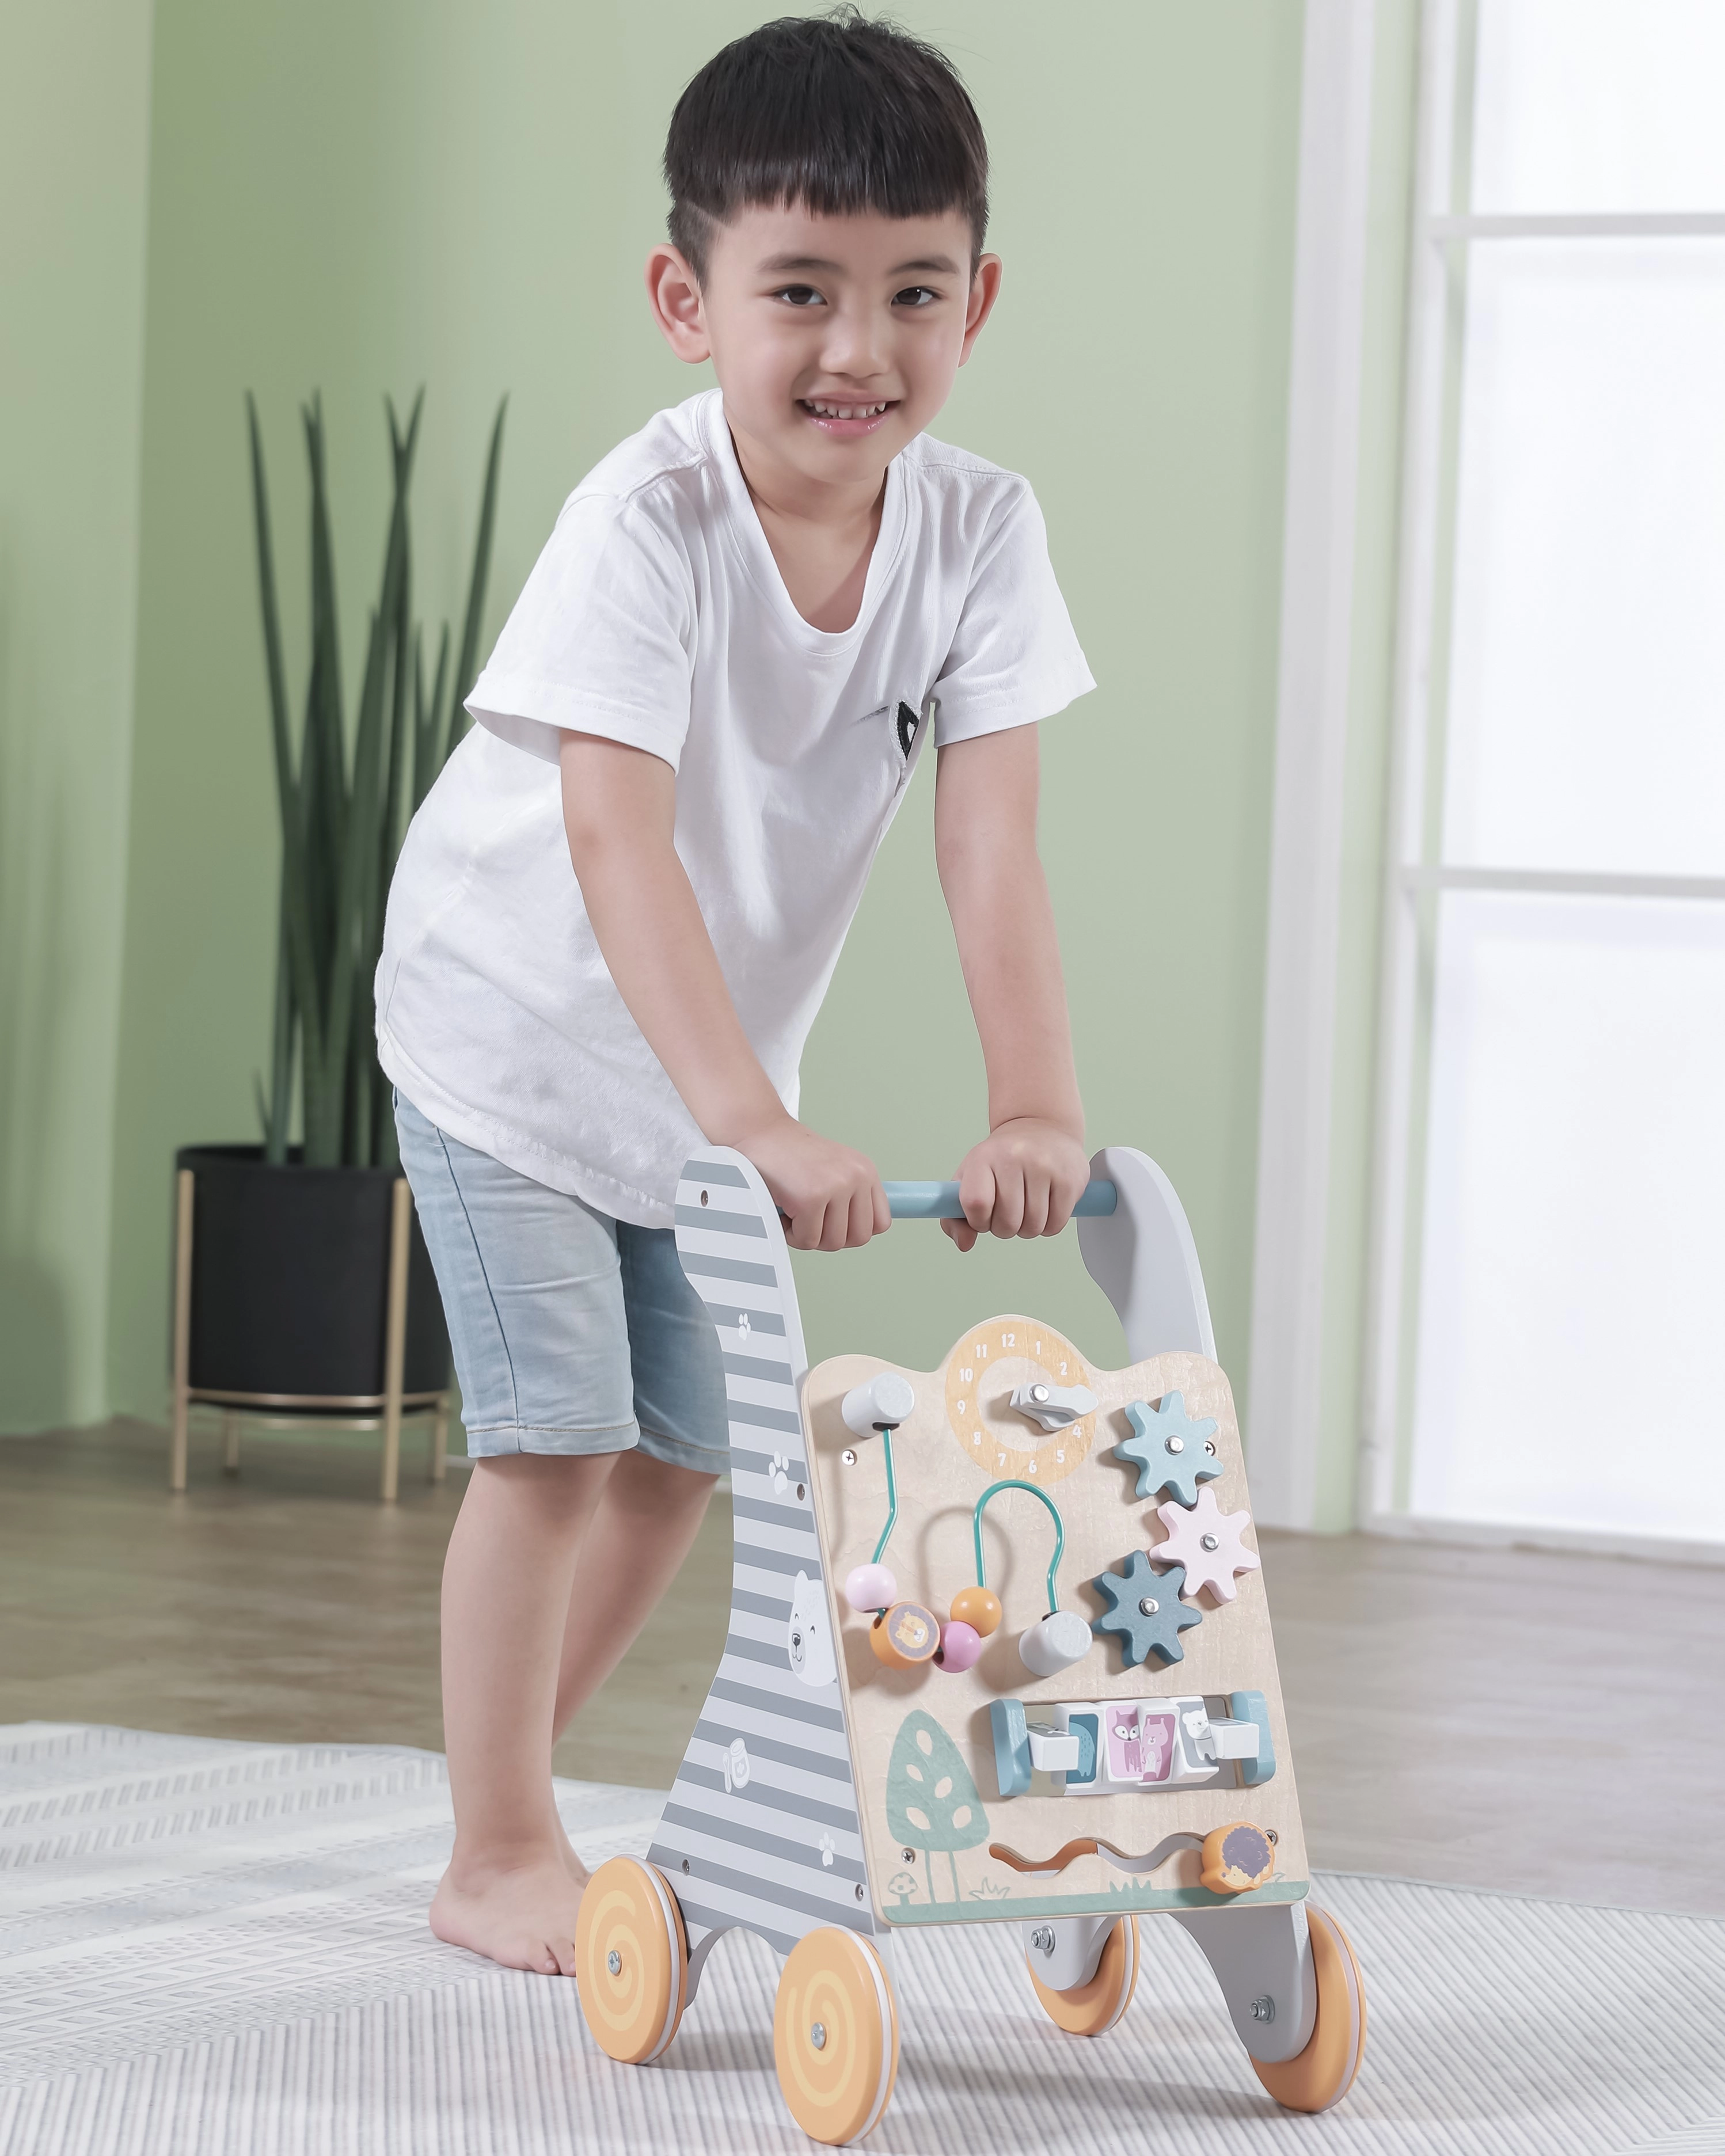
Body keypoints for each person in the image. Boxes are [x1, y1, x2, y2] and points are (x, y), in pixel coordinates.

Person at [375, 8, 1095, 1978]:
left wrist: (1033, 1104)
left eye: (912, 294)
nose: (858, 348)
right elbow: (616, 841)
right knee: (554, 1439)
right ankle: (495, 1847)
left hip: (700, 1069)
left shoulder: (981, 532)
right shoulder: (648, 521)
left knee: (685, 1453)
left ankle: (502, 1779)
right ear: (687, 302)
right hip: (514, 1032)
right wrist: (753, 1123)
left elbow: (990, 844)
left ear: (976, 301)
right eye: (799, 292)